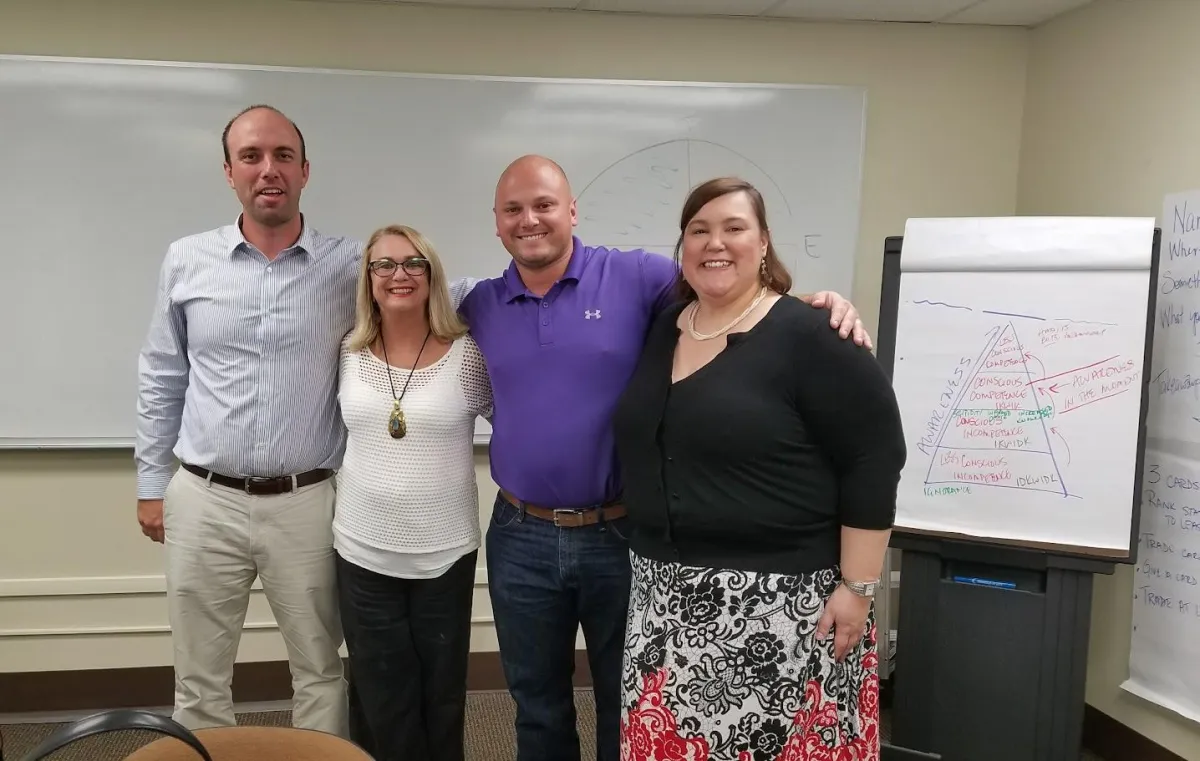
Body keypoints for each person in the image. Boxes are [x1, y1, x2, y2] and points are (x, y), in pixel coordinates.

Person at [458, 156, 874, 761]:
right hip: (520, 534)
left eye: (545, 205)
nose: (530, 220)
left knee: (625, 701)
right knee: (535, 700)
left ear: (572, 211)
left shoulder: (637, 277)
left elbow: (731, 292)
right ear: (496, 223)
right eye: (513, 209)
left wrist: (813, 303)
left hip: (623, 535)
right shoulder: (481, 306)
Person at [610, 177, 907, 761]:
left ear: (764, 242)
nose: (714, 243)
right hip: (662, 603)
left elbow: (874, 457)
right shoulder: (664, 327)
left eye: (734, 228)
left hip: (783, 612)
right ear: (682, 246)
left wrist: (858, 588)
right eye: (699, 230)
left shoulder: (813, 335)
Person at [134, 104, 355, 735]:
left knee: (320, 667)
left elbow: (430, 289)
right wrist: (152, 483)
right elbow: (162, 374)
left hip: (308, 500)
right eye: (252, 157)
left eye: (283, 156)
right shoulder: (187, 259)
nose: (268, 170)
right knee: (199, 677)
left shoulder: (349, 264)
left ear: (305, 171)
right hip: (203, 498)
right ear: (229, 172)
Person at [332, 223, 492, 761]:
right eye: (384, 264)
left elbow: (521, 420)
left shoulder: (468, 354)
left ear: (431, 274)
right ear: (368, 279)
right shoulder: (348, 352)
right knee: (380, 696)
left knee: (441, 697)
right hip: (361, 551)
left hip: (444, 555)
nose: (399, 275)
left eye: (413, 263)